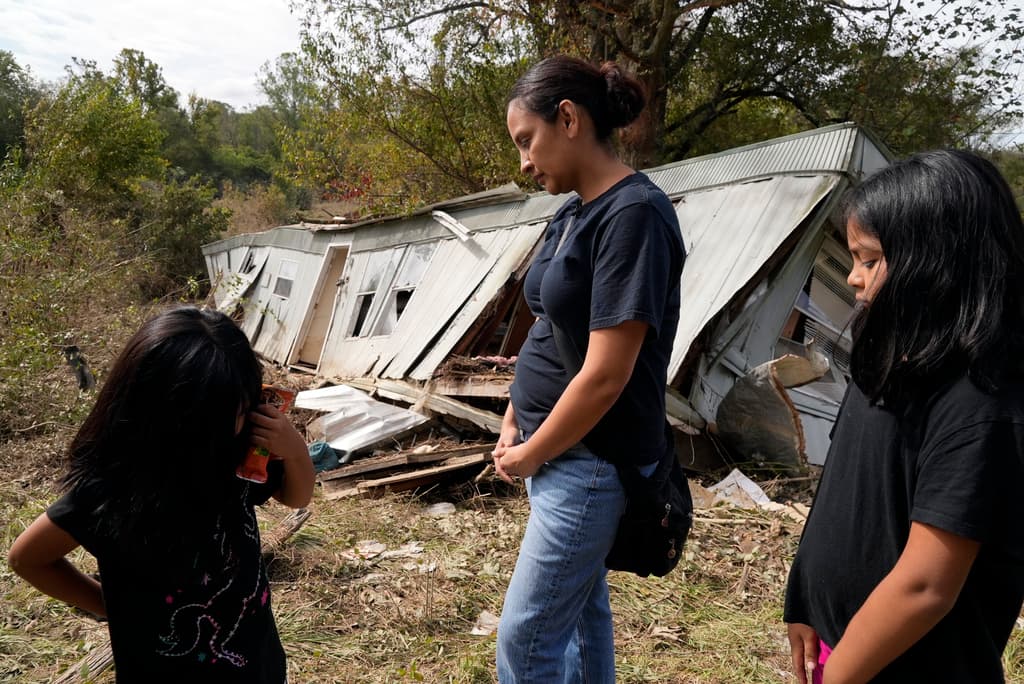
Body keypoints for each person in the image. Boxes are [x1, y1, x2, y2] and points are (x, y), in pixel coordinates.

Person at [784, 150, 1024, 683]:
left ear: (938, 263)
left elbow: (924, 587)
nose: (851, 278)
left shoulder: (981, 403)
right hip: (841, 648)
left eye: (869, 260)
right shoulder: (889, 359)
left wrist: (842, 672)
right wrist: (803, 595)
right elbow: (840, 488)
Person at [492, 55, 686, 682]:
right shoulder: (572, 212)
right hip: (556, 451)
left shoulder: (635, 217)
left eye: (527, 141)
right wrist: (515, 415)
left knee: (525, 643)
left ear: (568, 118)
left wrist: (534, 452)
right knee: (578, 620)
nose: (523, 162)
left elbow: (607, 374)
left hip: (590, 462)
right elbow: (550, 323)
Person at [8, 306, 315, 683]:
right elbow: (27, 558)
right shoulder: (113, 490)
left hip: (259, 664)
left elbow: (295, 498)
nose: (221, 434)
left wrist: (295, 450)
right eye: (207, 423)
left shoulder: (236, 453)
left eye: (236, 412)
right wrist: (105, 605)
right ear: (154, 413)